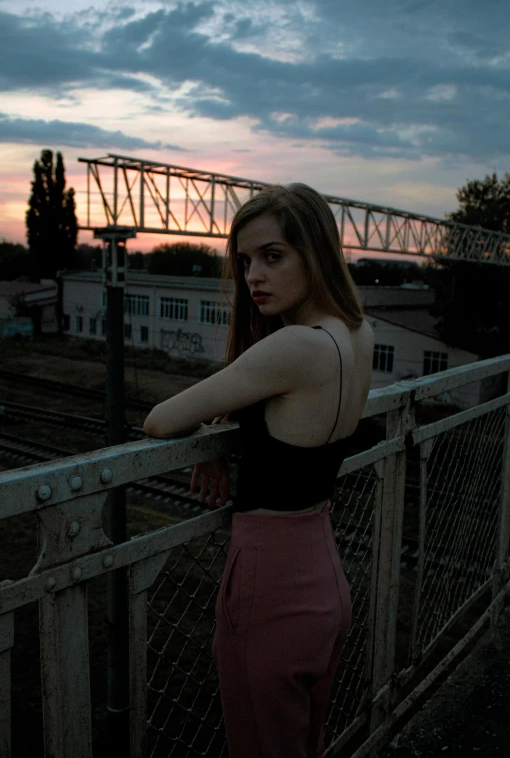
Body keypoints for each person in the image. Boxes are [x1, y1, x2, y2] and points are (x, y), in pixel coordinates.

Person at [144, 182, 374, 757]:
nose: (254, 277)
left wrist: (210, 435)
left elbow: (159, 420)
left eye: (274, 257)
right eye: (246, 261)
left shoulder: (293, 347)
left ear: (315, 253)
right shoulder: (355, 332)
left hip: (269, 586)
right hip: (324, 574)